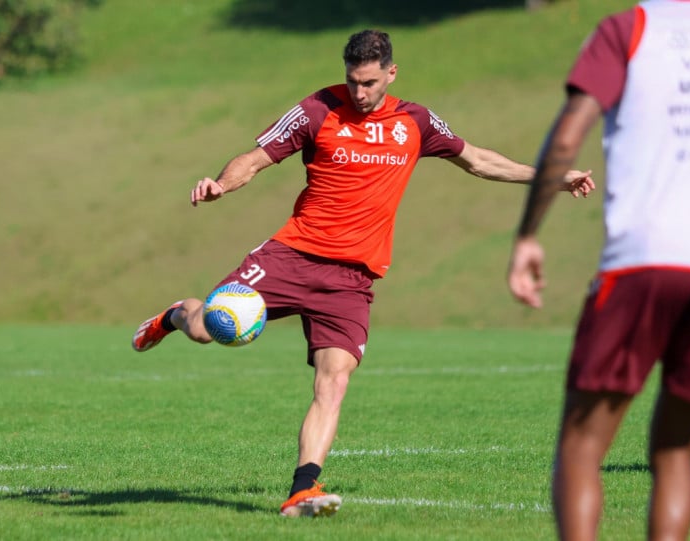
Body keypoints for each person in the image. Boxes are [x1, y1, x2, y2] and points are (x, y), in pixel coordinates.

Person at [133, 29, 595, 518]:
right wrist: (221, 186)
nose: (359, 92)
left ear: (391, 73)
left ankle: (302, 490)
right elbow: (255, 159)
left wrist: (554, 177)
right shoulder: (316, 110)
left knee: (334, 381)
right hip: (291, 256)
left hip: (352, 278)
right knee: (209, 331)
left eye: (370, 82)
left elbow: (479, 160)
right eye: (352, 81)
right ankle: (174, 316)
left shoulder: (415, 120)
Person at [507, 1, 690, 539]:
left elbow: (569, 134)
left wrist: (528, 233)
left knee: (582, 447)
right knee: (675, 451)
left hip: (643, 261)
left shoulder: (629, 30)